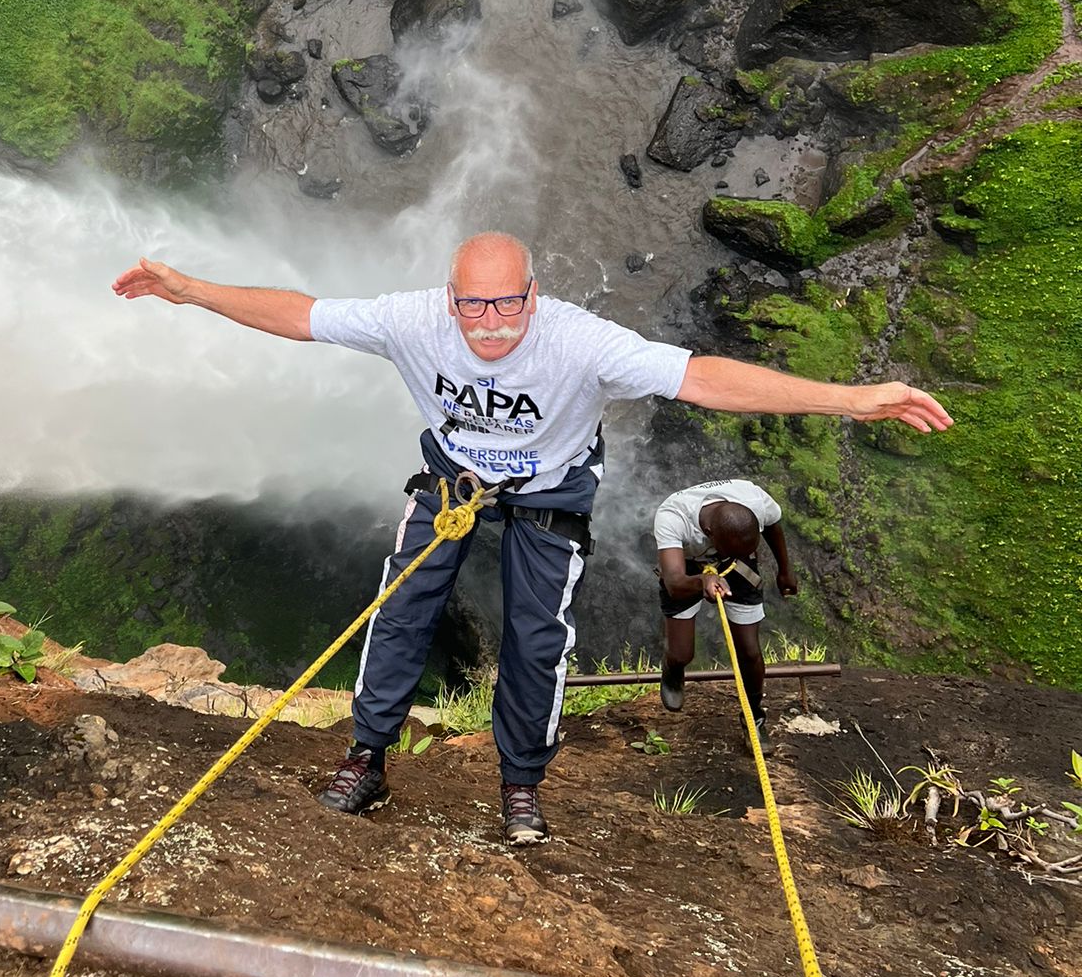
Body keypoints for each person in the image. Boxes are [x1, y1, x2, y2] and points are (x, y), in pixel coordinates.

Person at [112, 232, 950, 846]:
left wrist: (847, 398)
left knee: (535, 638)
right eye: (472, 302)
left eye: (506, 301)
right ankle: (366, 757)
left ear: (534, 295)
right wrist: (192, 290)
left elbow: (700, 377)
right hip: (452, 480)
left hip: (549, 489)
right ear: (450, 300)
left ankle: (520, 786)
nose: (489, 321)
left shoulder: (580, 341)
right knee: (402, 607)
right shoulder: (412, 321)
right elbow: (303, 316)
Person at [653, 478, 796, 753]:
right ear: (708, 532)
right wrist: (702, 581)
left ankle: (754, 716)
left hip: (736, 563)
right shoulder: (672, 517)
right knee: (682, 653)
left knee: (750, 651)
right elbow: (674, 581)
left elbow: (774, 526)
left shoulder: (754, 499)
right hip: (688, 569)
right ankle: (673, 669)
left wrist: (784, 568)